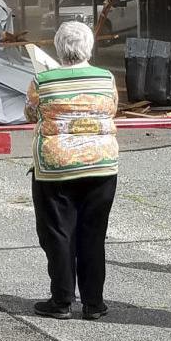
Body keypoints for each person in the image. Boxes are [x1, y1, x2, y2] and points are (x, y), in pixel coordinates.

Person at [25, 20, 120, 320]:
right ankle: (94, 303)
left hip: (56, 169)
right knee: (94, 234)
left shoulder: (43, 81)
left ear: (59, 48)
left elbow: (30, 112)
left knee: (59, 233)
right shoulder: (106, 78)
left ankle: (62, 299)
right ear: (88, 48)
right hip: (101, 166)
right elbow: (113, 108)